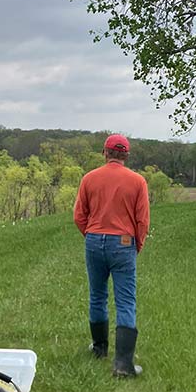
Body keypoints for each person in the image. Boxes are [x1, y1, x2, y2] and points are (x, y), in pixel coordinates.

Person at [73, 134, 150, 377]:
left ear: (105, 152)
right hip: (124, 242)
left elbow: (78, 215)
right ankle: (123, 365)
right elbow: (142, 220)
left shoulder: (89, 178)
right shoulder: (138, 182)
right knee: (125, 300)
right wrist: (136, 244)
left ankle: (99, 348)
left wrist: (92, 235)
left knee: (97, 295)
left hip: (94, 239)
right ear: (126, 155)